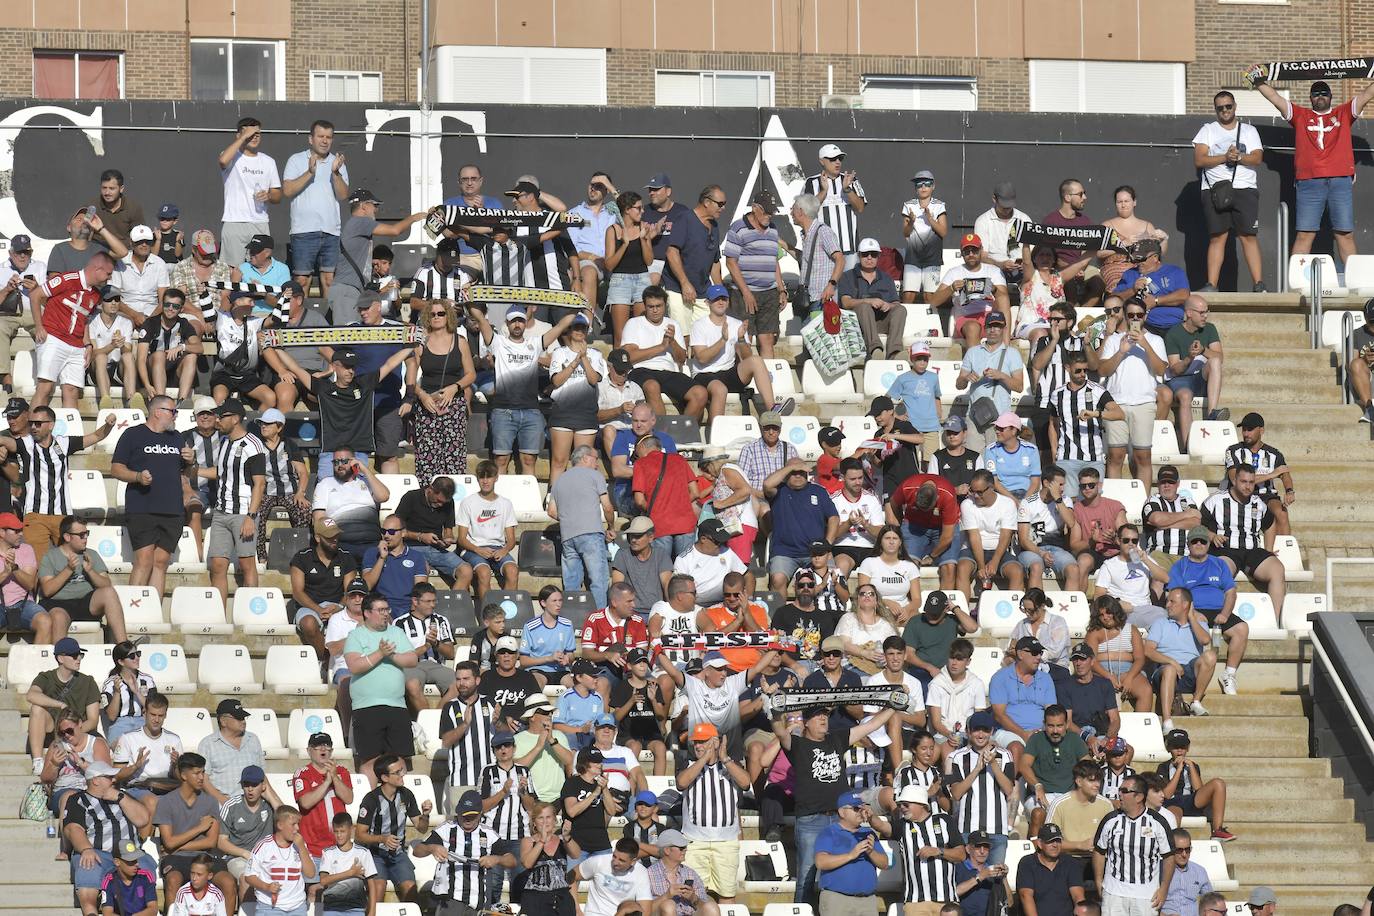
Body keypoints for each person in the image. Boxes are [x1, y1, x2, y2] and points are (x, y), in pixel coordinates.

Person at [769, 701, 894, 903]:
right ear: (806, 722)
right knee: (806, 877)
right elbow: (779, 731)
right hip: (810, 819)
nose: (823, 718)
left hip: (841, 819)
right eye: (818, 715)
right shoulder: (797, 744)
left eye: (825, 715)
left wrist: (893, 707)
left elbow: (869, 726)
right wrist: (775, 712)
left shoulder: (836, 738)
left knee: (844, 867)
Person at [1252, 71, 1374, 259]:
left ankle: (1354, 286)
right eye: (1316, 93)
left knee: (1345, 234)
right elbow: (1275, 98)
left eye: (1324, 93)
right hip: (1309, 182)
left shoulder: (1343, 113)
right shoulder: (1300, 115)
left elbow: (1367, 95)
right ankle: (1295, 286)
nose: (1320, 97)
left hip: (1339, 180)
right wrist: (1258, 81)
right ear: (1310, 97)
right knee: (1305, 234)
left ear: (1330, 96)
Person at [343, 593, 418, 781]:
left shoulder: (396, 633)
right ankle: (370, 806)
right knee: (369, 760)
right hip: (367, 707)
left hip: (397, 706)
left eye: (387, 609)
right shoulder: (356, 635)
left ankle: (400, 805)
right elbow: (354, 665)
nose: (386, 614)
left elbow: (412, 659)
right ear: (367, 613)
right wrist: (380, 653)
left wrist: (390, 656)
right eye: (381, 610)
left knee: (399, 759)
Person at [65, 761, 156, 915]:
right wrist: (86, 849)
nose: (114, 780)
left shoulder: (122, 795)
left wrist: (120, 797)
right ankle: (90, 912)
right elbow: (73, 829)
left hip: (129, 853)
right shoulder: (78, 800)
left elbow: (143, 819)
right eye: (109, 777)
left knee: (145, 866)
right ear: (95, 780)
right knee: (87, 864)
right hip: (97, 852)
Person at [326, 189, 427, 326]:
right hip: (347, 292)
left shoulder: (355, 225)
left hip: (349, 291)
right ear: (363, 206)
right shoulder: (361, 222)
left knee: (354, 337)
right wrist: (415, 217)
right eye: (375, 205)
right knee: (347, 339)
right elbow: (395, 230)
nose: (376, 210)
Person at [688, 284, 789, 420]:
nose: (721, 302)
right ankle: (716, 434)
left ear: (728, 301)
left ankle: (772, 410)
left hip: (728, 372)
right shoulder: (699, 325)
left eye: (724, 299)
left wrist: (741, 339)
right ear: (708, 303)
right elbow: (702, 358)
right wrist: (723, 340)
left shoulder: (736, 323)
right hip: (704, 373)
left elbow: (746, 358)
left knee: (756, 361)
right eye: (716, 299)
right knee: (720, 389)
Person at [1098, 294, 1168, 484]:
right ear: (1125, 316)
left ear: (1145, 316)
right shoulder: (1114, 341)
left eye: (1139, 315)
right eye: (1131, 315)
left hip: (1144, 403)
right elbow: (1102, 369)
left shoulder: (1155, 340)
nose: (1135, 319)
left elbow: (1161, 369)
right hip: (1116, 404)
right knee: (1115, 455)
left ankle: (1143, 504)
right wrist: (1121, 351)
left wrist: (1144, 345)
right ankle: (1114, 502)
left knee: (1143, 457)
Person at [1167, 527, 1246, 696]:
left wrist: (1225, 614)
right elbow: (1176, 594)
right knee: (1198, 627)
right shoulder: (1180, 566)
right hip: (1192, 609)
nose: (1199, 544)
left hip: (1218, 610)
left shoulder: (1219, 564)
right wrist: (1191, 612)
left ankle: (1229, 674)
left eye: (1202, 541)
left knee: (1242, 628)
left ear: (1208, 544)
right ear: (1188, 544)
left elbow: (1230, 592)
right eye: (1194, 541)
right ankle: (1195, 678)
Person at [677, 725, 750, 905]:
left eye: (703, 741)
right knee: (690, 893)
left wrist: (724, 758)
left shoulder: (730, 765)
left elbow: (746, 783)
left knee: (726, 894)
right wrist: (703, 760)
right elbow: (681, 783)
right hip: (694, 842)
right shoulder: (687, 763)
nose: (698, 746)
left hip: (726, 842)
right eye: (696, 742)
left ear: (716, 742)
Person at [155, 752, 236, 911]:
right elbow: (169, 842)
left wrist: (178, 846)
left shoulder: (210, 801)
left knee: (228, 882)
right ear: (184, 775)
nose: (201, 777)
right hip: (176, 858)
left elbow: (211, 842)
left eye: (203, 772)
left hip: (205, 857)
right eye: (197, 773)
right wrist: (199, 828)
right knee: (173, 880)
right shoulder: (165, 802)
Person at [1202, 464, 1287, 614]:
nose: (1248, 486)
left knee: (1277, 569)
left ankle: (1275, 619)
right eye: (1243, 481)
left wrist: (1268, 550)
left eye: (1251, 482)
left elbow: (1270, 524)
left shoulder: (1258, 503)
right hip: (1226, 549)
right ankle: (1216, 618)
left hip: (1251, 550)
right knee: (1221, 571)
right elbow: (1198, 525)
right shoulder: (1216, 500)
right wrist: (1213, 536)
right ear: (1234, 481)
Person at [281, 119, 350, 295]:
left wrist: (335, 173)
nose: (325, 141)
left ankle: (330, 322)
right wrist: (310, 172)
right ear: (311, 139)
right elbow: (287, 190)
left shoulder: (338, 163)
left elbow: (343, 195)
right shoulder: (296, 160)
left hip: (331, 232)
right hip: (303, 231)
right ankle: (301, 322)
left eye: (329, 137)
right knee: (302, 280)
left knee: (329, 280)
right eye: (321, 136)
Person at [1093, 774, 1176, 916]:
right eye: (1120, 790)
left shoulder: (1158, 822)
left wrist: (1164, 888)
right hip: (1114, 893)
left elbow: (1169, 857)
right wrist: (1099, 881)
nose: (1119, 794)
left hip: (1146, 895)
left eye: (1124, 791)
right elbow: (1099, 851)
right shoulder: (1110, 820)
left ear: (1139, 797)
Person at [38, 515, 128, 644]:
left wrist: (90, 571)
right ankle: (61, 657)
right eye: (81, 535)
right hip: (59, 604)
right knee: (58, 617)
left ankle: (123, 647)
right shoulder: (50, 556)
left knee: (109, 593)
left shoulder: (92, 554)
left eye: (87, 533)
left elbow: (107, 584)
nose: (85, 538)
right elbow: (47, 590)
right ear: (67, 537)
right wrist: (68, 570)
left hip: (86, 602)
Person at [621, 285, 708, 418]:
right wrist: (661, 347)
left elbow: (681, 359)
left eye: (659, 306)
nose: (655, 310)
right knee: (652, 386)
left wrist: (672, 342)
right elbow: (630, 357)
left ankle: (683, 434)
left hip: (668, 372)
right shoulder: (634, 323)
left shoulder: (673, 324)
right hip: (641, 370)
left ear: (665, 305)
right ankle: (661, 435)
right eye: (651, 306)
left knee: (700, 393)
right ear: (645, 306)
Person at [354, 753, 431, 903]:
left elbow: (421, 828)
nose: (402, 774)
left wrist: (426, 815)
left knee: (410, 889)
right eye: (397, 772)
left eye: (402, 770)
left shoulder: (406, 795)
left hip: (398, 855)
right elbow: (359, 835)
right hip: (375, 855)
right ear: (384, 778)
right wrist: (382, 838)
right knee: (379, 888)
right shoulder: (371, 799)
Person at [546, 444, 614, 607]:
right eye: (595, 459)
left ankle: (572, 617)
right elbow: (607, 506)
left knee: (571, 584)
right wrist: (611, 527)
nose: (597, 464)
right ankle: (599, 620)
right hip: (591, 534)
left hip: (568, 537)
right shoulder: (594, 475)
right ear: (585, 458)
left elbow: (551, 511)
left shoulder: (559, 480)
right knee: (598, 580)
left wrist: (570, 519)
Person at [944, 711, 1015, 865]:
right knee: (968, 876)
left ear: (991, 731)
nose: (980, 734)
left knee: (996, 878)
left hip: (997, 830)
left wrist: (994, 764)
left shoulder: (1005, 755)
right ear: (968, 732)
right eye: (976, 729)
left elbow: (1009, 790)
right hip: (968, 829)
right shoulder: (957, 757)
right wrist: (977, 769)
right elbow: (955, 794)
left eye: (985, 730)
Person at [723, 188, 785, 358]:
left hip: (769, 293)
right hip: (744, 295)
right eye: (766, 212)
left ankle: (769, 380)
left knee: (768, 340)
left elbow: (774, 261)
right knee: (745, 340)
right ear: (755, 208)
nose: (769, 216)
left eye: (772, 212)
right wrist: (746, 293)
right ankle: (746, 381)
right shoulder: (738, 228)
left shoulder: (773, 229)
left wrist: (781, 289)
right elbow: (731, 262)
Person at [1147, 588, 1217, 731]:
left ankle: (1196, 701)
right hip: (1165, 672)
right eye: (1167, 601)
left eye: (1172, 601)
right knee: (1170, 669)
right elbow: (1148, 651)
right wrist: (1172, 662)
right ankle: (1167, 722)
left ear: (1185, 605)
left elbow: (1205, 641)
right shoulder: (1161, 623)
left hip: (1189, 672)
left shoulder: (1199, 625)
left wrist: (1191, 618)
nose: (1167, 605)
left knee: (1210, 656)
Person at [955, 310, 1024, 453]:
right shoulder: (972, 352)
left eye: (997, 326)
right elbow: (959, 384)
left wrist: (1002, 376)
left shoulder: (1012, 353)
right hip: (975, 416)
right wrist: (966, 378)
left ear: (1004, 329)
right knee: (975, 460)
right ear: (985, 328)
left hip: (1000, 418)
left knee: (997, 462)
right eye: (990, 326)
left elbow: (1019, 386)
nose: (993, 330)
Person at [216, 117, 282, 267]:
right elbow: (222, 160)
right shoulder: (232, 156)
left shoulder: (269, 161)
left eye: (257, 134)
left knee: (260, 267)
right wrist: (244, 136)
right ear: (238, 135)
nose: (254, 137)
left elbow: (278, 195)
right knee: (232, 269)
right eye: (250, 134)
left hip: (260, 223)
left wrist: (269, 196)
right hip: (234, 222)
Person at [813, 790, 889, 914]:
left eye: (862, 808)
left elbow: (885, 863)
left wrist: (871, 853)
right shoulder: (829, 832)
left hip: (867, 901)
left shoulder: (868, 833)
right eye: (855, 808)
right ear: (841, 812)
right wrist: (851, 855)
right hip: (837, 900)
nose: (860, 812)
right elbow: (821, 862)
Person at [930, 234, 1011, 350]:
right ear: (961, 253)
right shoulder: (954, 272)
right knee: (973, 327)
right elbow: (934, 301)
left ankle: (1006, 349)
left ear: (981, 250)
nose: (971, 254)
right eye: (967, 252)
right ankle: (976, 365)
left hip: (991, 317)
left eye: (974, 250)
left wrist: (994, 289)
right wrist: (951, 288)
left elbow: (1004, 298)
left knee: (1003, 298)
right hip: (966, 318)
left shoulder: (994, 271)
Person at [1158, 728, 1235, 842]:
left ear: (1188, 748)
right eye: (1175, 747)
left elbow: (1199, 789)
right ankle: (1172, 841)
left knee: (1218, 783)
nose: (1179, 751)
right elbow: (1166, 795)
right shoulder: (1163, 767)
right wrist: (1178, 770)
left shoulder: (1193, 766)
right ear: (1169, 748)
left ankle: (1218, 830)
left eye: (1183, 747)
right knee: (1173, 813)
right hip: (1173, 802)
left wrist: (1191, 768)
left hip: (1190, 801)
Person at [1225, 411, 1294, 536]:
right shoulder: (1233, 451)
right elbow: (1236, 480)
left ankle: (1283, 551)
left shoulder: (1274, 453)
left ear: (1261, 430)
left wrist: (1289, 491)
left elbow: (1285, 473)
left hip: (1266, 495)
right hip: (1241, 495)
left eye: (1250, 429)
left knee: (1282, 513)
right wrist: (1272, 474)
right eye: (1244, 430)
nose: (1246, 434)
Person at [838, 236, 907, 360]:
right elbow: (845, 302)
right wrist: (868, 301)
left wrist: (888, 305)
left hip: (881, 322)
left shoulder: (886, 278)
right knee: (864, 307)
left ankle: (895, 351)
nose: (869, 258)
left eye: (873, 254)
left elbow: (895, 302)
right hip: (857, 324)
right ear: (859, 256)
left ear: (878, 257)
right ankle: (875, 349)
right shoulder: (847, 276)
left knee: (900, 309)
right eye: (865, 254)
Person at [802, 143, 867, 268]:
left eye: (840, 158)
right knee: (827, 286)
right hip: (822, 249)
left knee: (848, 286)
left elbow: (860, 207)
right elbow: (806, 212)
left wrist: (847, 189)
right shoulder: (811, 182)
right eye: (832, 159)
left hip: (849, 247)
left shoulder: (851, 179)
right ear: (822, 161)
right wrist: (823, 192)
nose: (837, 162)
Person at [245, 805, 317, 916]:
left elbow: (311, 874)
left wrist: (302, 848)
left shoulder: (301, 845)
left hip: (297, 906)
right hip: (269, 907)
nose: (297, 828)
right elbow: (249, 876)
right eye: (293, 824)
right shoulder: (263, 846)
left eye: (298, 824)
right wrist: (267, 887)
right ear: (280, 825)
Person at [960, 470, 1022, 594]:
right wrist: (981, 566)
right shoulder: (967, 504)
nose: (976, 496)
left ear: (991, 488)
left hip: (999, 550)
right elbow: (974, 537)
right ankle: (962, 611)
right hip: (973, 549)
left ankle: (1015, 611)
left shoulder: (1007, 504)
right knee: (962, 568)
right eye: (973, 491)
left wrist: (995, 561)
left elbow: (1006, 536)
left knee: (1017, 572)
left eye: (980, 492)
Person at [360, 515, 429, 620]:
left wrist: (410, 617)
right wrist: (382, 558)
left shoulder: (416, 557)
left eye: (392, 532)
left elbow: (420, 591)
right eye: (384, 531)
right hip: (380, 608)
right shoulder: (372, 553)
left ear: (403, 533)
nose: (386, 535)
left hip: (407, 609)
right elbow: (367, 585)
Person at [198, 699, 267, 803]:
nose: (243, 721)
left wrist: (277, 804)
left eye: (243, 717)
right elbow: (204, 780)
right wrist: (227, 804)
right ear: (223, 721)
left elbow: (262, 776)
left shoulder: (253, 739)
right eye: (238, 718)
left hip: (252, 806)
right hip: (221, 805)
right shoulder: (208, 744)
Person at [216, 765, 276, 884]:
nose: (250, 789)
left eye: (254, 785)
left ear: (263, 786)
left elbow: (287, 819)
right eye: (246, 784)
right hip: (238, 857)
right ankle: (246, 904)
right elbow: (221, 842)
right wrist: (245, 853)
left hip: (267, 857)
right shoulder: (231, 806)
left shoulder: (269, 806)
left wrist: (271, 797)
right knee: (247, 878)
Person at [901, 169, 950, 304]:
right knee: (908, 295)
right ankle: (906, 324)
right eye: (919, 184)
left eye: (927, 184)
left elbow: (943, 232)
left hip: (932, 258)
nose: (923, 187)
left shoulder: (939, 205)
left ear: (933, 186)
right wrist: (911, 221)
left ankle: (930, 324)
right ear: (915, 188)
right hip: (913, 257)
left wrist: (930, 219)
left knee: (930, 297)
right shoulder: (908, 205)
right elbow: (905, 232)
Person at [1016, 823, 1084, 916]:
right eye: (1050, 841)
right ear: (1040, 843)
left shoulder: (1071, 863)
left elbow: (1078, 896)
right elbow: (1026, 896)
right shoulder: (1027, 863)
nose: (1055, 845)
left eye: (1058, 841)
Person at [99, 839, 160, 916]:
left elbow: (153, 909)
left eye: (136, 860)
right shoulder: (109, 881)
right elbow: (107, 913)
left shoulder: (145, 876)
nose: (137, 864)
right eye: (131, 861)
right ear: (117, 862)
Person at [1162, 830, 1214, 916]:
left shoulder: (1200, 871)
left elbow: (1211, 901)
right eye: (1179, 850)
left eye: (1187, 850)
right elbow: (1148, 903)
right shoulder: (1158, 870)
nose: (1184, 854)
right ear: (1170, 849)